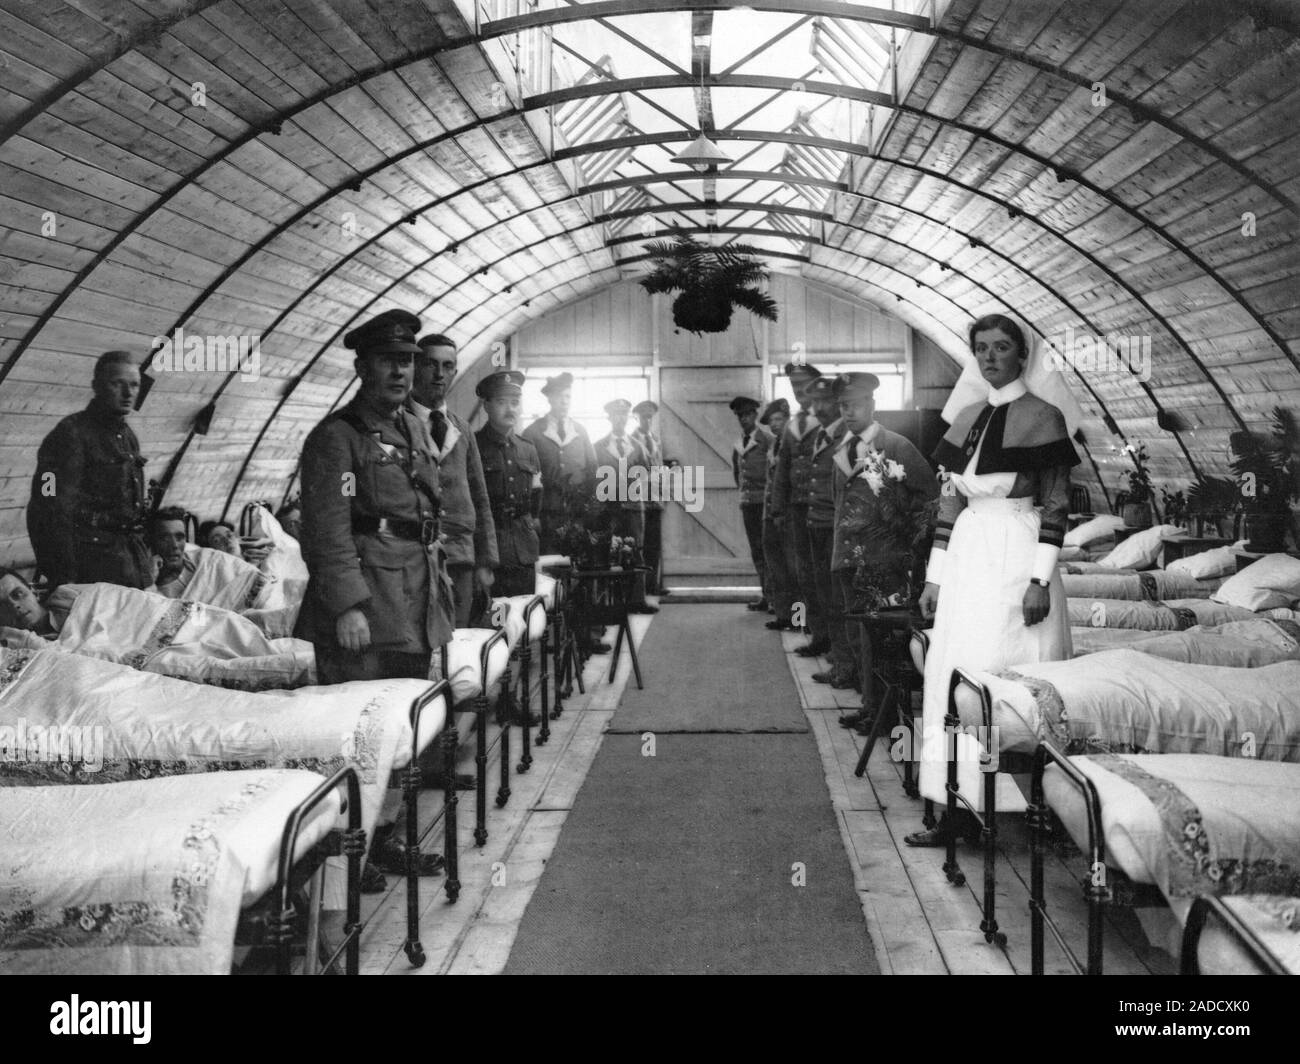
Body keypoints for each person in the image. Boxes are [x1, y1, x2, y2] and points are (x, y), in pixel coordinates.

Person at [906, 312, 1082, 847]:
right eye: (981, 348)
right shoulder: (971, 415)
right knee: (950, 670)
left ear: (1021, 355)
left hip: (1015, 554)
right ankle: (957, 807)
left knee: (1001, 674)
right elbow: (950, 501)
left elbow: (1056, 504)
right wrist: (934, 578)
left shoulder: (1044, 416)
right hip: (967, 555)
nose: (989, 357)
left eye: (1001, 348)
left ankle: (1036, 809)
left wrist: (1039, 580)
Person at [294, 308, 454, 876]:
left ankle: (383, 834)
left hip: (413, 595)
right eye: (389, 361)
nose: (401, 372)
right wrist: (347, 606)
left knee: (400, 726)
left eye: (407, 362)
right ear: (363, 366)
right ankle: (344, 859)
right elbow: (326, 529)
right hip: (366, 604)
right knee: (356, 730)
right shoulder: (336, 440)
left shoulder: (413, 429)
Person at [829, 373, 937, 732]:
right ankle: (869, 705)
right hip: (850, 559)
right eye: (844, 405)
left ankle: (888, 718)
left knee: (886, 642)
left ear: (872, 405)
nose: (849, 411)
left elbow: (931, 498)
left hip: (885, 562)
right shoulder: (841, 450)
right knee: (861, 637)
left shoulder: (897, 445)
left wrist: (905, 539)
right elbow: (840, 505)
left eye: (856, 404)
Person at [27, 350, 153, 590]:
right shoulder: (69, 434)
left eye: (134, 385)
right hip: (89, 568)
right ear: (96, 386)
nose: (128, 394)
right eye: (118, 384)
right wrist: (62, 576)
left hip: (127, 562)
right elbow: (46, 505)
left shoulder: (127, 438)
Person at [409, 332, 497, 627]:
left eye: (448, 366)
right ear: (414, 367)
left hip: (460, 557)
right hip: (413, 558)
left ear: (455, 372)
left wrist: (486, 561)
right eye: (430, 364)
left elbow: (480, 498)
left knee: (458, 643)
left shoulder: (463, 430)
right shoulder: (395, 424)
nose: (439, 374)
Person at [771, 363, 825, 655]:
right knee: (802, 573)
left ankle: (832, 640)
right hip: (797, 511)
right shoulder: (793, 425)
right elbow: (782, 470)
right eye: (792, 386)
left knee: (824, 574)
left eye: (803, 384)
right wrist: (778, 509)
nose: (798, 391)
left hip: (823, 509)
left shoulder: (829, 418)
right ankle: (816, 634)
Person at [474, 370, 542, 598]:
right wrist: (480, 560)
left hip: (524, 548)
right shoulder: (473, 445)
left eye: (515, 402)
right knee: (495, 620)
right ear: (486, 405)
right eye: (502, 402)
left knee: (526, 618)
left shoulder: (528, 448)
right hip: (490, 550)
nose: (510, 408)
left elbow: (536, 496)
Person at [803, 378, 848, 686]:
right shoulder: (821, 435)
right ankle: (836, 652)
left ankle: (845, 665)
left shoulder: (846, 436)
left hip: (835, 527)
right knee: (824, 593)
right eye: (814, 403)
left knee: (838, 597)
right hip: (817, 523)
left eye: (825, 402)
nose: (819, 408)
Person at [523, 372, 597, 554]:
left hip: (577, 517)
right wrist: (533, 516)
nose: (564, 401)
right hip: (547, 518)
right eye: (559, 396)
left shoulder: (580, 432)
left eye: (568, 396)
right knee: (548, 571)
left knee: (578, 569)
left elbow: (593, 472)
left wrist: (589, 511)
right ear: (549, 399)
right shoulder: (532, 433)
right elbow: (525, 480)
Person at [593, 398, 656, 614]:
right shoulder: (598, 447)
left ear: (628, 418)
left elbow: (647, 475)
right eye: (616, 414)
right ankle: (610, 602)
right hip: (608, 509)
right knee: (607, 551)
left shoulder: (637, 447)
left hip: (633, 508)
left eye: (624, 414)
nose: (620, 418)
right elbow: (594, 477)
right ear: (609, 417)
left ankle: (637, 600)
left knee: (636, 551)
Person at [730, 396, 773, 613]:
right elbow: (737, 473)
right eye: (740, 416)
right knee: (757, 551)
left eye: (747, 414)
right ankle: (767, 596)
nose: (744, 419)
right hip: (748, 504)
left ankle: (777, 600)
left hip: (765, 503)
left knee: (770, 551)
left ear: (755, 415)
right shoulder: (740, 443)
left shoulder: (767, 439)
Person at [759, 398, 795, 631]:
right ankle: (783, 615)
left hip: (788, 514)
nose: (774, 425)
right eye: (771, 421)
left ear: (787, 419)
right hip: (769, 513)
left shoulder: (793, 445)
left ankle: (799, 619)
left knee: (794, 571)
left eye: (778, 419)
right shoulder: (773, 446)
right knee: (776, 568)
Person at [630, 399, 668, 597]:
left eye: (650, 417)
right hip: (639, 501)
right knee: (640, 544)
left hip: (655, 499)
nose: (647, 420)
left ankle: (655, 586)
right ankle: (641, 589)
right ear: (636, 417)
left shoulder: (655, 439)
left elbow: (660, 468)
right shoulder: (631, 440)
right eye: (644, 417)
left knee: (655, 544)